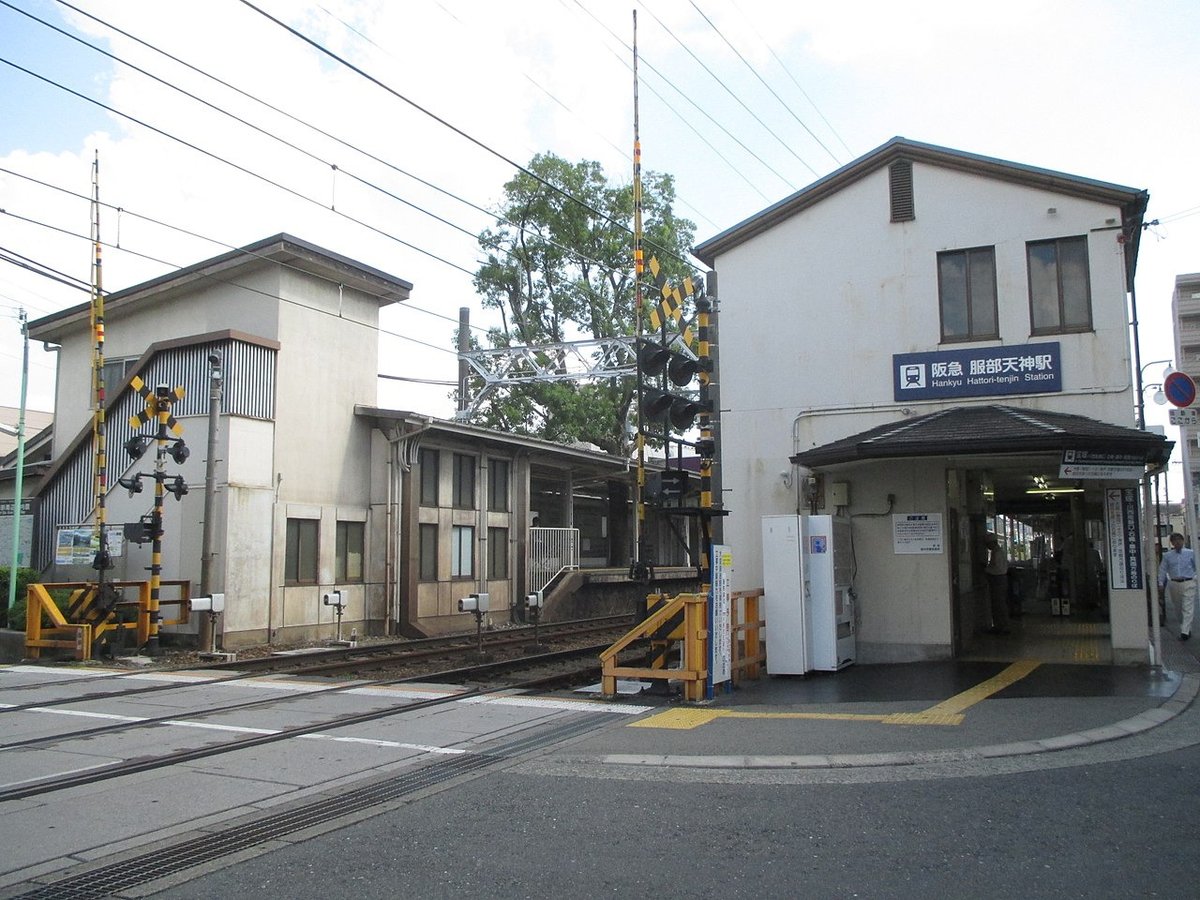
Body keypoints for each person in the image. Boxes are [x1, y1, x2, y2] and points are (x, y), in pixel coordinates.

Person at [1157, 532, 1196, 640]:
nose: (1178, 542)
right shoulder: (1167, 556)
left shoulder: (1191, 553)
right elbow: (1162, 570)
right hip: (1174, 582)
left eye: (1179, 540)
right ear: (1172, 543)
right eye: (1175, 541)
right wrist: (1160, 583)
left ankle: (1185, 631)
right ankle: (1185, 627)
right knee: (1178, 607)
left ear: (1183, 541)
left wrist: (1195, 578)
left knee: (1188, 606)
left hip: (1189, 581)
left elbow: (1196, 566)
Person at [984, 533, 1010, 634]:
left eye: (988, 544)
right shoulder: (998, 551)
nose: (987, 546)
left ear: (991, 543)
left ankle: (1002, 627)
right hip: (1000, 579)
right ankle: (1000, 625)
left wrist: (986, 570)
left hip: (998, 580)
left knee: (999, 604)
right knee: (998, 604)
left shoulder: (997, 553)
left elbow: (998, 568)